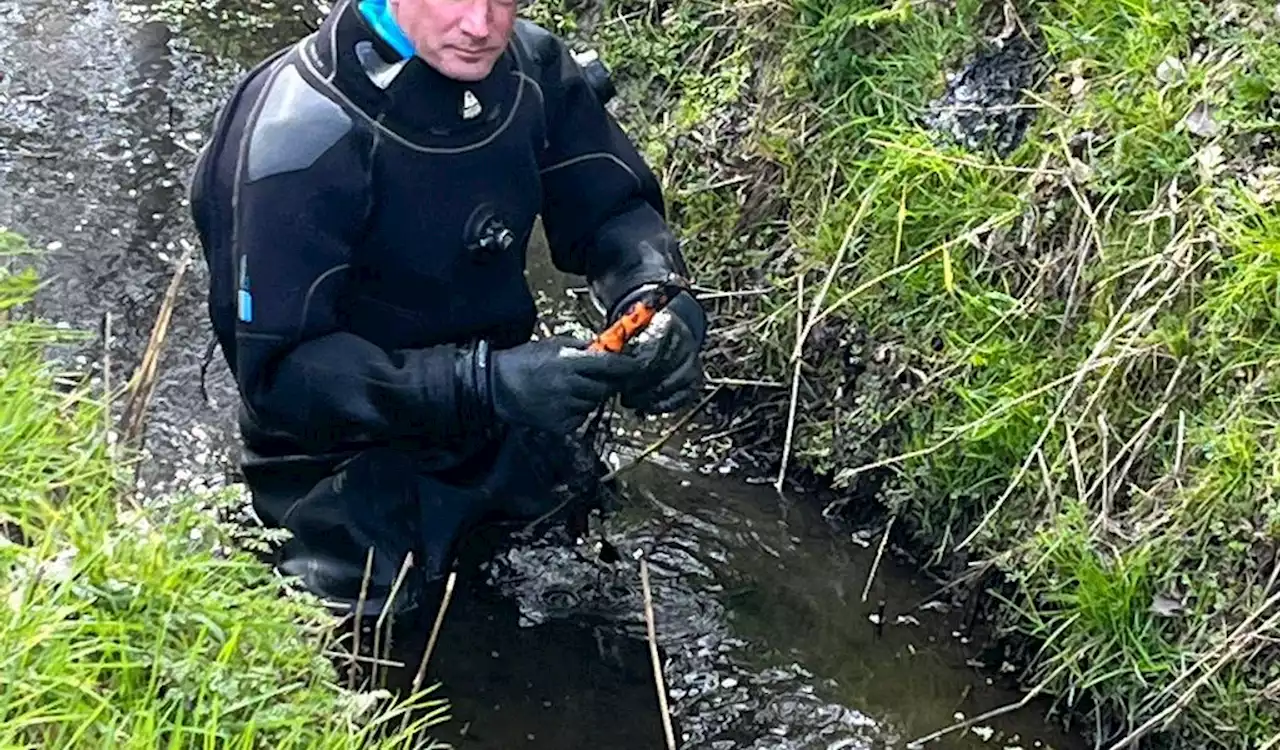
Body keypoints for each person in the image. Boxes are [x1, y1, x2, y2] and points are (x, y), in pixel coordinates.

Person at [187, 0, 706, 621]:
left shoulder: (530, 72)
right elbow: (279, 376)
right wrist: (485, 382)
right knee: (369, 654)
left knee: (590, 603)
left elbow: (615, 213)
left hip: (498, 426)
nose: (481, 25)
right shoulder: (300, 131)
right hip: (334, 465)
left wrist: (655, 301)